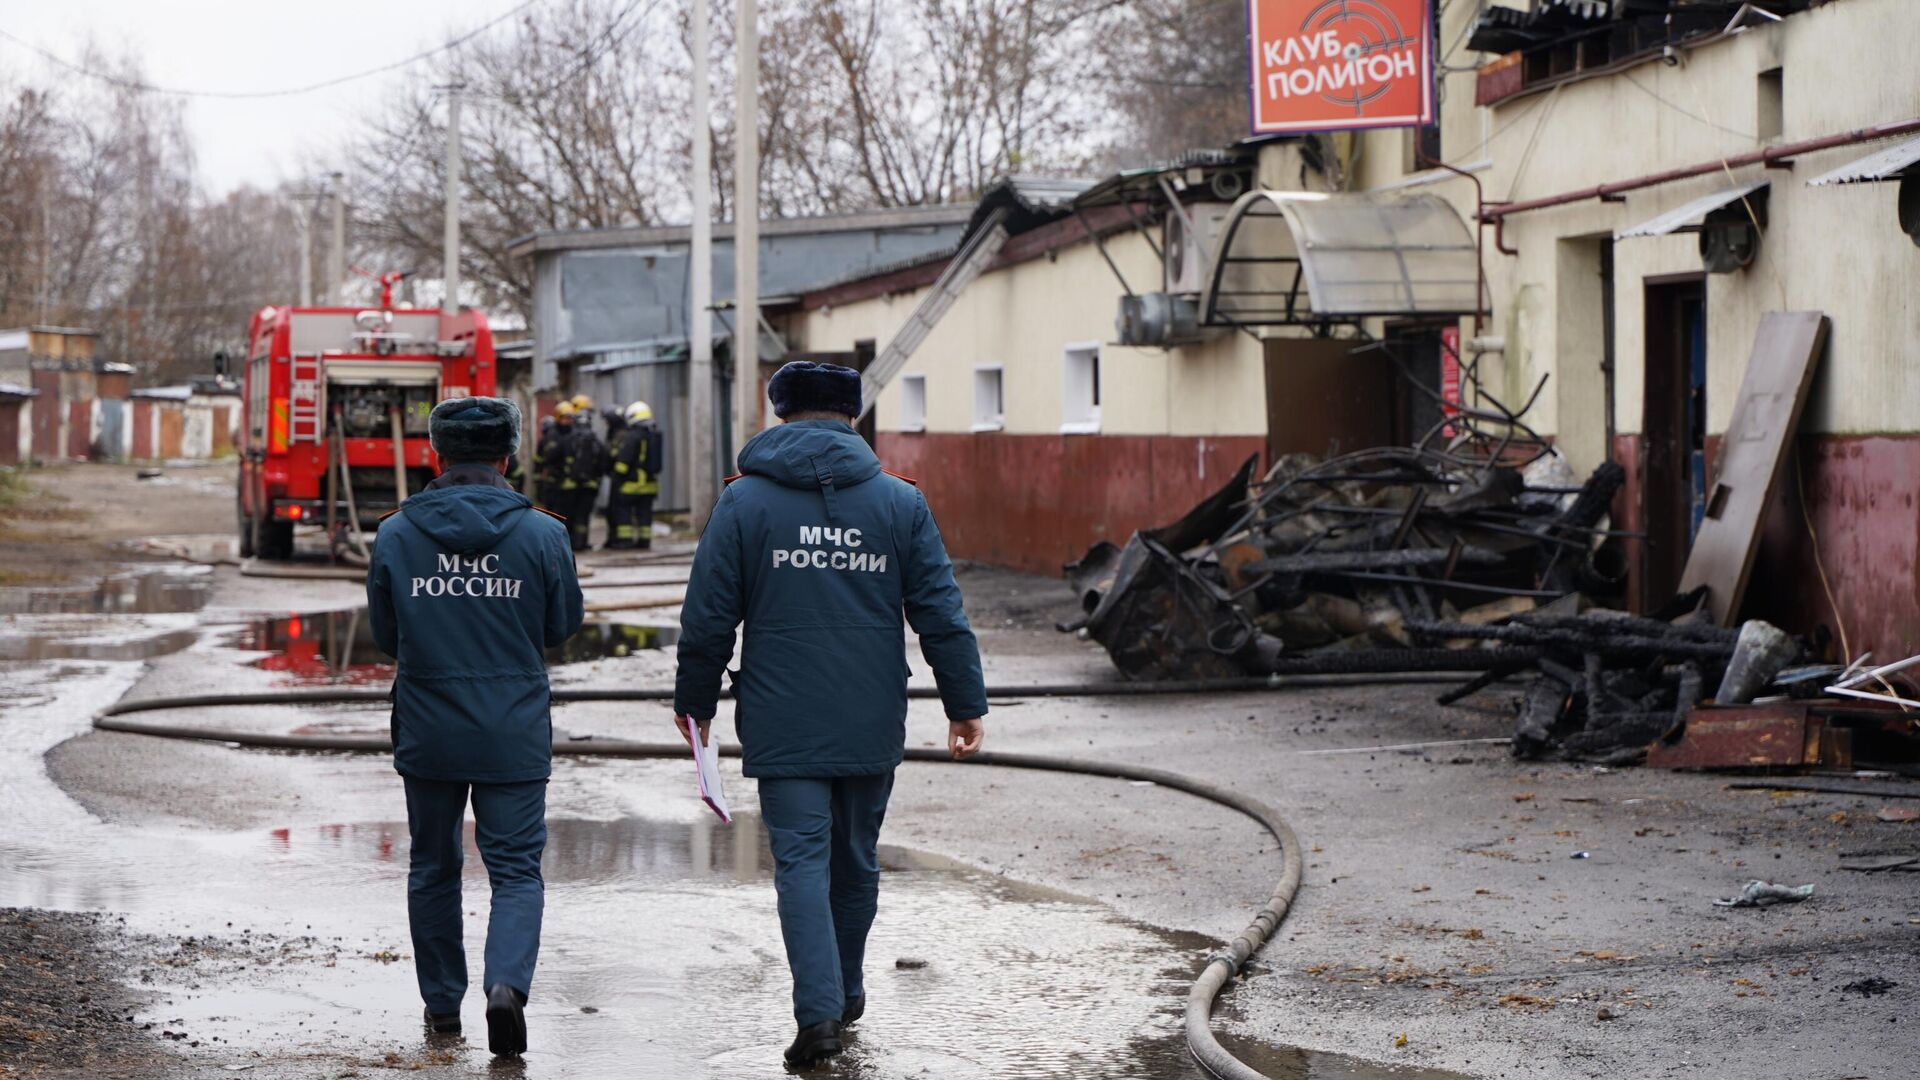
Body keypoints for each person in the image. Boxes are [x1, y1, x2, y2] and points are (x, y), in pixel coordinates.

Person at [673, 361, 987, 1068]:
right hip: (871, 715)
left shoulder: (743, 503)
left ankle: (819, 1016)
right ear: (854, 416)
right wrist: (963, 704)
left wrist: (694, 705)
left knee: (802, 865)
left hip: (782, 719)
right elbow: (940, 612)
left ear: (780, 413)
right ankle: (843, 994)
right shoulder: (899, 503)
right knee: (854, 860)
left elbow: (708, 618)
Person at [366, 397, 585, 1058]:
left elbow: (385, 638)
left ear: (438, 455)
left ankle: (441, 1008)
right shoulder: (544, 534)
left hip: (429, 728)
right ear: (507, 456)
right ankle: (506, 988)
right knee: (516, 870)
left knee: (433, 866)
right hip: (511, 728)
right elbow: (561, 626)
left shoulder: (397, 534)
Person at [605, 399, 663, 550]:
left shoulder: (633, 435)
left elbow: (624, 460)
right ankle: (645, 541)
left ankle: (625, 541)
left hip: (632, 484)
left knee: (623, 510)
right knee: (644, 513)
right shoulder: (654, 434)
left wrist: (616, 477)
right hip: (650, 485)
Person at [560, 396, 606, 552]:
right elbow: (603, 460)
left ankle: (570, 543)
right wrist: (596, 477)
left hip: (570, 485)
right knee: (583, 516)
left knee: (569, 515)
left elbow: (559, 458)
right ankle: (581, 543)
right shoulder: (594, 439)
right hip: (590, 484)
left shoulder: (568, 438)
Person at [533, 406, 571, 513]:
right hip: (550, 480)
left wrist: (538, 478)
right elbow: (540, 460)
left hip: (554, 479)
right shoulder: (549, 439)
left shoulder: (556, 438)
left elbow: (540, 461)